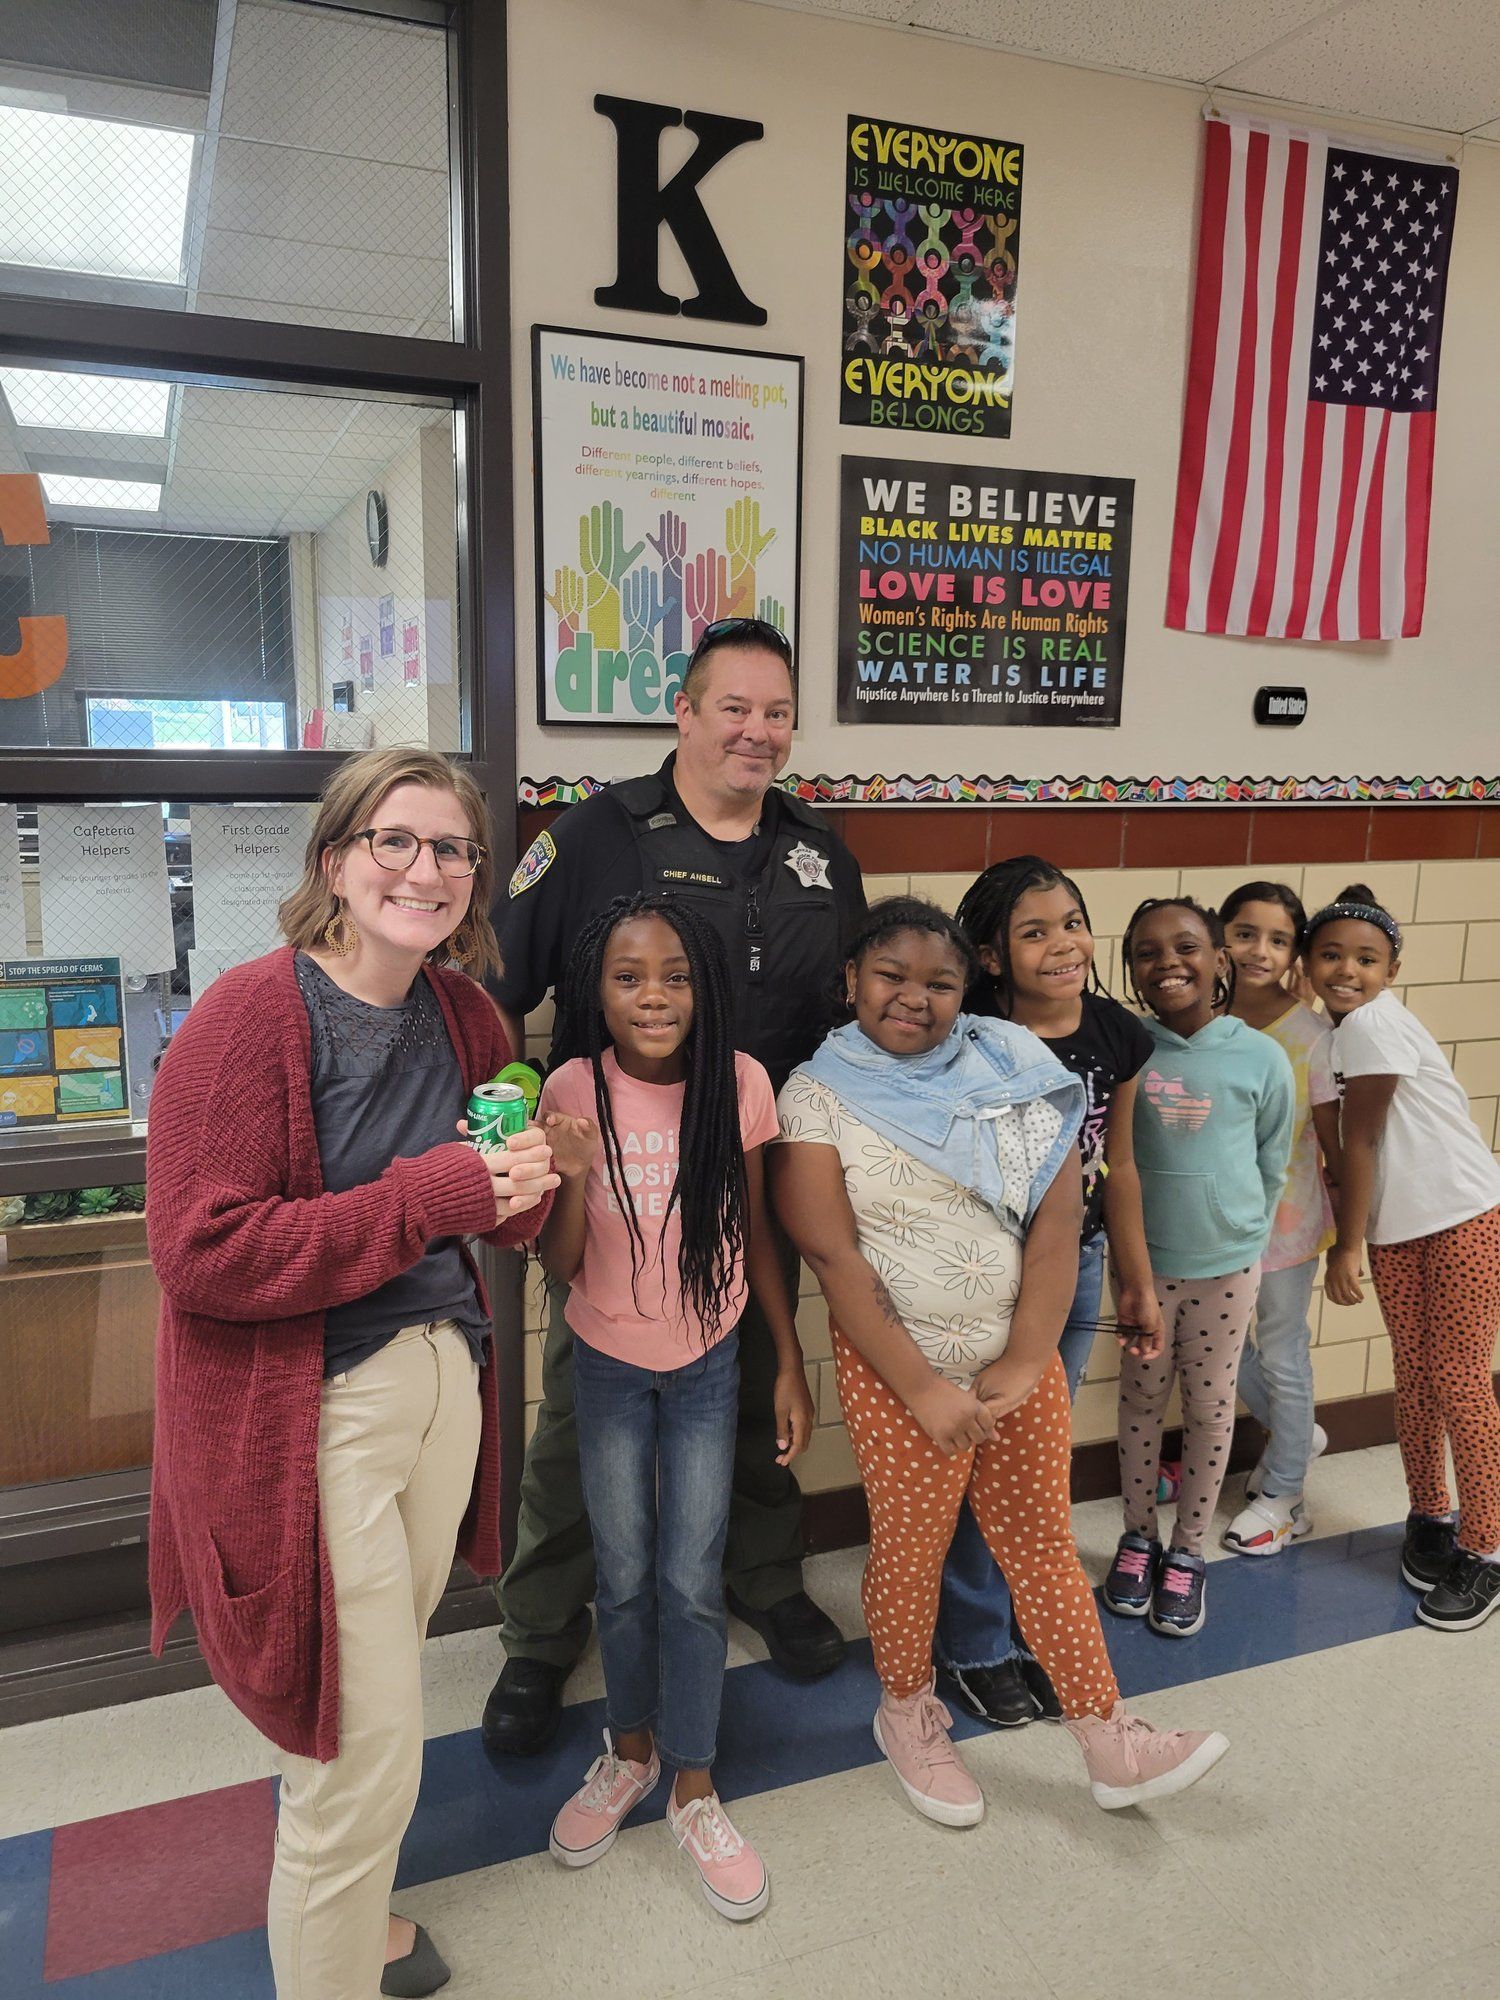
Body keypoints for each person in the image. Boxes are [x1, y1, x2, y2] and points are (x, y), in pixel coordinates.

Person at [145, 749, 558, 2000]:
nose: (422, 869)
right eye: (395, 840)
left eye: (449, 850)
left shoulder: (468, 1016)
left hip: (445, 1388)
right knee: (359, 1740)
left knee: (367, 1703)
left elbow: (488, 1217)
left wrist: (528, 1190)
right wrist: (428, 1194)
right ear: (336, 858)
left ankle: (358, 1912)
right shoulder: (249, 1015)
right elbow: (201, 1250)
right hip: (311, 1410)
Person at [484, 617, 865, 1754]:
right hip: (612, 1173)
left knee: (751, 1373)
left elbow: (845, 1014)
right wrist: (518, 1129)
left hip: (756, 1159)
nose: (758, 729)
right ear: (685, 714)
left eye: (777, 711)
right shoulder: (595, 833)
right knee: (578, 1406)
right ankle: (540, 1633)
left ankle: (760, 1571)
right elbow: (497, 983)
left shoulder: (817, 852)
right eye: (734, 706)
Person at [772, 897, 1230, 1823]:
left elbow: (1061, 1221)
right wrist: (921, 1390)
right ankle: (906, 1713)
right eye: (890, 976)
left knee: (1043, 1548)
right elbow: (832, 1257)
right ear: (850, 981)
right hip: (898, 1373)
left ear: (966, 990)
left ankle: (1109, 1740)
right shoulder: (815, 1093)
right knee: (911, 1551)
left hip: (1013, 1363)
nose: (915, 997)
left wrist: (1027, 1361)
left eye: (939, 982)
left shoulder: (1014, 1068)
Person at [540, 894, 811, 1920]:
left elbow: (755, 1227)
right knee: (621, 1570)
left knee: (692, 1576)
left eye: (675, 975)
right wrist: (566, 1173)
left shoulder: (738, 1084)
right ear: (594, 990)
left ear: (706, 985)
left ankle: (695, 1780)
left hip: (707, 1358)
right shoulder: (571, 1086)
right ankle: (633, 1750)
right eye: (626, 976)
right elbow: (558, 1262)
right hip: (607, 1359)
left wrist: (786, 1357)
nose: (652, 995)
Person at [934, 856, 1163, 1726]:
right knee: (979, 1455)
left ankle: (1029, 1623)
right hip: (991, 1280)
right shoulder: (972, 1038)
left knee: (1034, 1465)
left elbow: (1125, 1166)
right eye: (1034, 932)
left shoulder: (1116, 1034)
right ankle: (975, 1640)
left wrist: (1137, 1281)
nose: (1064, 943)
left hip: (1085, 1266)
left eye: (1071, 921)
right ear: (992, 957)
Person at [1307, 885, 1500, 1631]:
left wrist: (1344, 1247)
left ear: (1392, 969)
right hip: (1397, 1226)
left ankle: (1486, 1547)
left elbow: (1362, 1141)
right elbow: (1333, 1144)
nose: (1347, 969)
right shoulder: (1330, 1043)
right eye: (1330, 954)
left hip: (1459, 1217)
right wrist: (1358, 1234)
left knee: (1457, 1378)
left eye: (1366, 958)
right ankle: (1431, 1515)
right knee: (1416, 1375)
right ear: (1307, 962)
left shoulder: (1375, 1026)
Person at [1102, 896, 1294, 1638]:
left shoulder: (1259, 1056)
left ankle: (1187, 1553)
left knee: (1212, 1410)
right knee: (1142, 1400)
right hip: (1145, 1272)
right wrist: (1130, 1270)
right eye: (1146, 952)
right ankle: (1138, 1536)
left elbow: (1271, 1161)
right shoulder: (1130, 1047)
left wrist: (1238, 1232)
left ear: (1221, 958)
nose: (1167, 963)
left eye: (1185, 946)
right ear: (1134, 971)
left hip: (1225, 1269)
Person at [1217, 882, 1340, 1557]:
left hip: (1286, 1221)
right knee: (1224, 1349)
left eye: (1277, 939)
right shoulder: (1202, 1018)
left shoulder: (1311, 1037)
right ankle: (1298, 1436)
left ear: (1294, 951)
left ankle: (1287, 1493)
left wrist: (1350, 1238)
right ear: (1221, 936)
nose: (1258, 950)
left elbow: (1335, 1141)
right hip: (1213, 1224)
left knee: (1284, 1348)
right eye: (1244, 932)